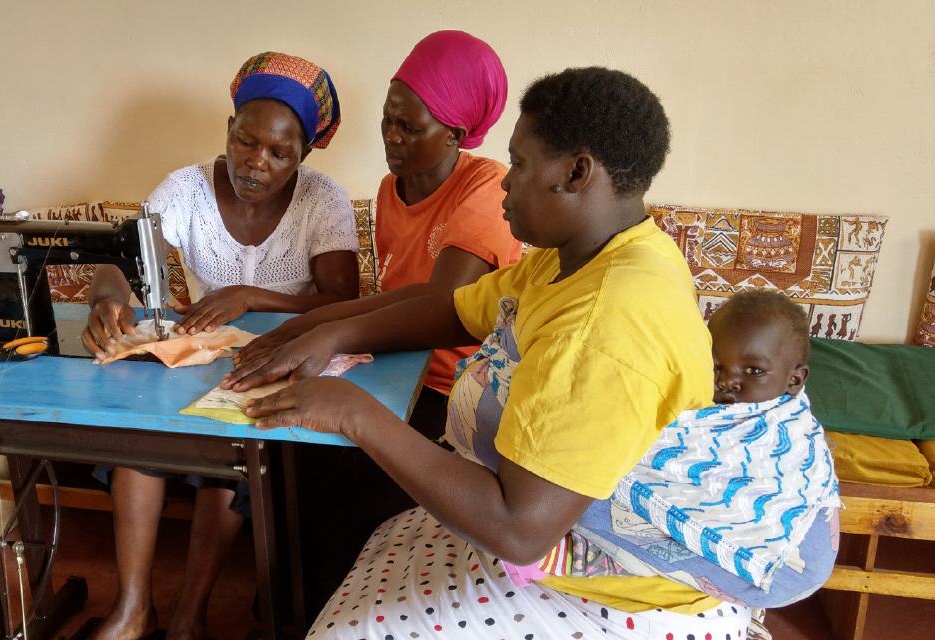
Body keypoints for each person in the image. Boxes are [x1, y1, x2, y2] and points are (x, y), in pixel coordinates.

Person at [226, 68, 752, 637]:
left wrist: (353, 411)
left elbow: (520, 530)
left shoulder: (605, 322)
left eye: (520, 164)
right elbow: (456, 308)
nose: (505, 183)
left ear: (577, 172)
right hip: (552, 539)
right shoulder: (579, 256)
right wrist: (326, 332)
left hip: (612, 589)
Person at [233, 31, 520, 609]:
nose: (391, 136)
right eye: (388, 119)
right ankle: (288, 606)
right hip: (388, 370)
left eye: (409, 128)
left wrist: (326, 328)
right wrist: (308, 328)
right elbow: (391, 297)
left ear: (457, 135)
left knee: (343, 478)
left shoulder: (485, 190)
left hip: (455, 389)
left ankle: (318, 608)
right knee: (283, 449)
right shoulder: (392, 190)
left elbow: (444, 311)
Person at [82, 51, 359, 640]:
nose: (257, 163)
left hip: (278, 364)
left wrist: (252, 297)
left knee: (234, 459)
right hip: (196, 363)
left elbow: (342, 302)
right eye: (245, 142)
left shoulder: (322, 200)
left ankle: (188, 614)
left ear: (303, 155)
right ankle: (133, 611)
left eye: (279, 152)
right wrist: (106, 299)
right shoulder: (185, 189)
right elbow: (119, 262)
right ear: (227, 131)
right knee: (138, 434)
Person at [513, 289, 840, 608]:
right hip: (690, 542)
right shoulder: (693, 394)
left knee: (595, 482)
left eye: (753, 370)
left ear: (794, 381)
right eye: (716, 367)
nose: (727, 381)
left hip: (773, 568)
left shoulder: (787, 430)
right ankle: (594, 559)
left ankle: (581, 556)